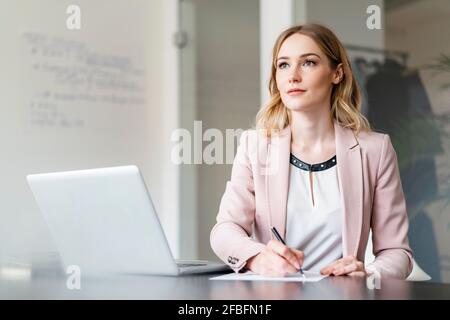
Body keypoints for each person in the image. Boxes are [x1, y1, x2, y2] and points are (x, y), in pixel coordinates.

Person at [210, 23, 413, 279]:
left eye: (308, 63)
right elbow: (225, 230)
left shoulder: (375, 150)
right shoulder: (254, 146)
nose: (292, 76)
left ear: (337, 73)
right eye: (283, 65)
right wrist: (257, 259)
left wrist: (370, 274)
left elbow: (396, 251)